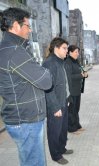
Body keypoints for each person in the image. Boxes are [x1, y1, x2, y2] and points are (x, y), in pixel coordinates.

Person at [0, 7, 52, 166]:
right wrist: (44, 70)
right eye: (27, 26)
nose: (29, 30)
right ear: (16, 25)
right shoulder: (14, 52)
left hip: (20, 117)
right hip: (26, 120)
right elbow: (46, 81)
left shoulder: (9, 48)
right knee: (34, 162)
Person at [42, 37, 73, 165]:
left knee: (63, 129)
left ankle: (61, 148)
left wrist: (68, 98)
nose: (67, 51)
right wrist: (55, 107)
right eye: (64, 48)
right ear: (56, 48)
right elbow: (47, 88)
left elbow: (63, 83)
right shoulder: (49, 63)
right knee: (54, 131)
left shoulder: (61, 62)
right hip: (55, 104)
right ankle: (56, 155)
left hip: (63, 101)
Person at [64, 45, 88, 134]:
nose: (77, 54)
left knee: (76, 109)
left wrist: (84, 73)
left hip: (77, 90)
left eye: (78, 52)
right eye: (75, 52)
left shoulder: (75, 61)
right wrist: (81, 75)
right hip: (71, 90)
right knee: (71, 110)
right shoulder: (68, 62)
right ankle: (71, 128)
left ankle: (77, 125)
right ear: (70, 52)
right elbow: (68, 77)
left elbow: (80, 70)